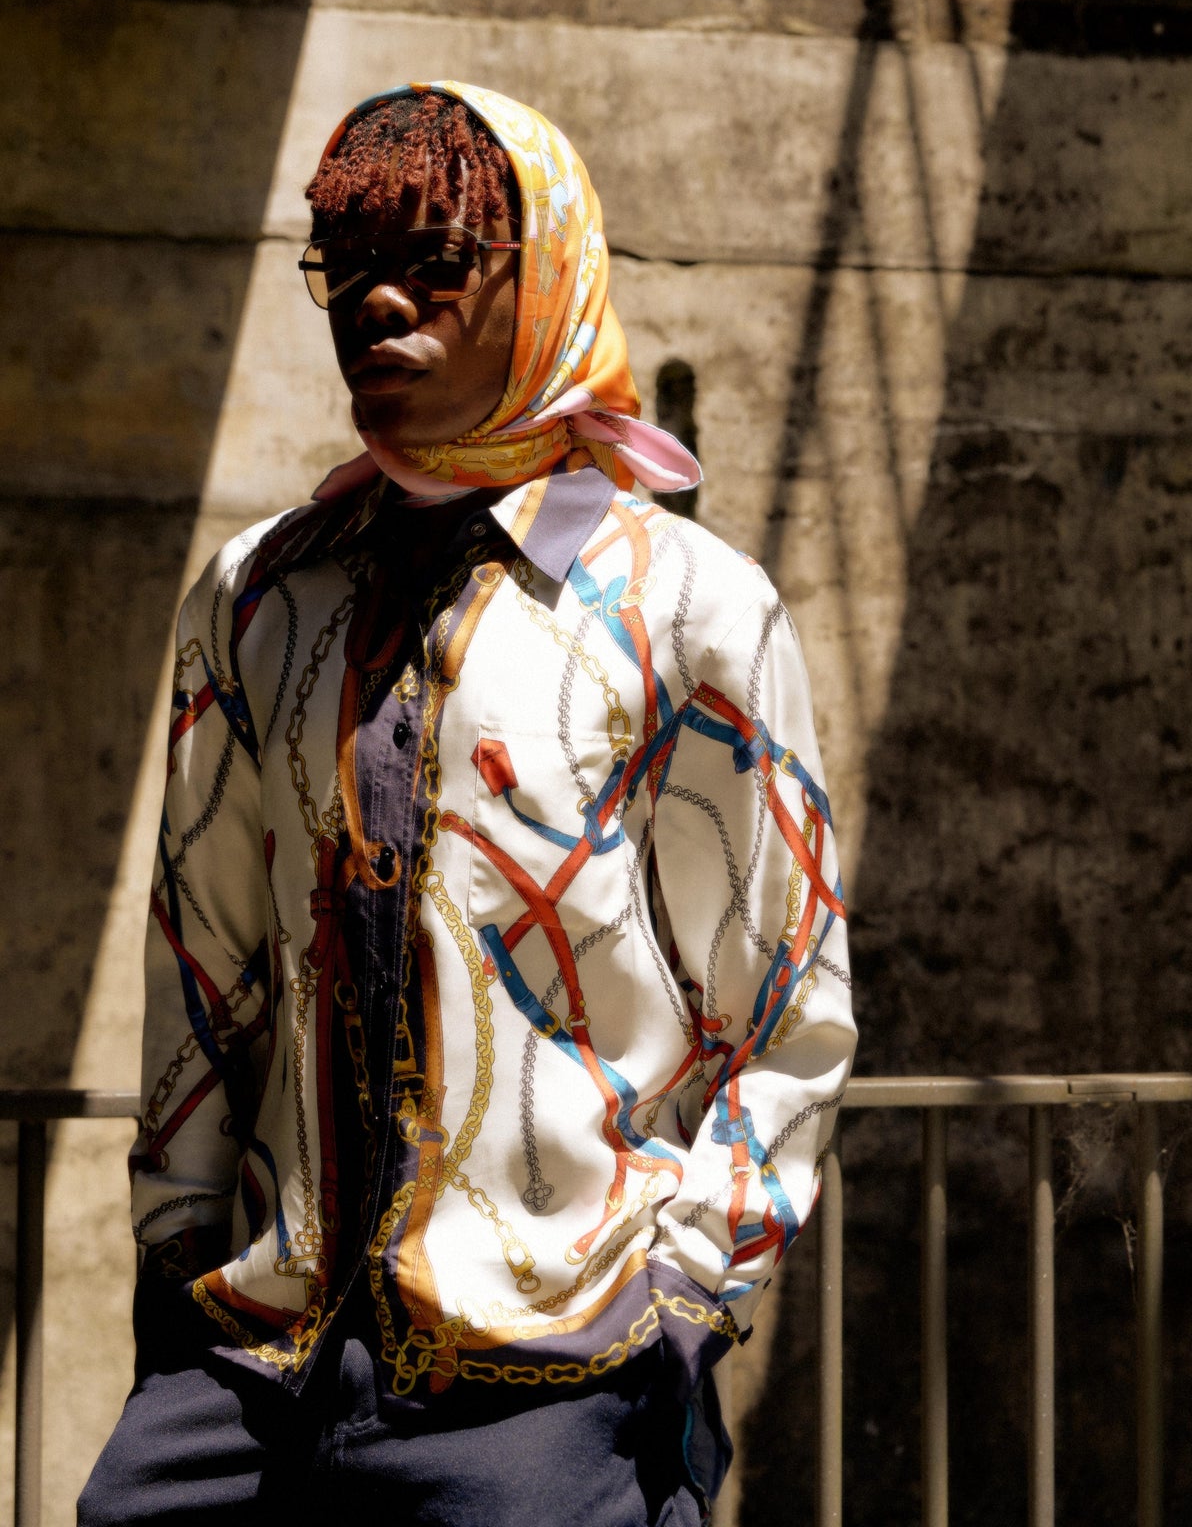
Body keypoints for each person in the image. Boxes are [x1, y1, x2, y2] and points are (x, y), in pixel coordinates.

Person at [79, 81, 857, 1527]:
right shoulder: (257, 595)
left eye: (432, 257)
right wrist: (177, 1265)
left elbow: (785, 1012)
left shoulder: (689, 612)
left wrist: (683, 1305)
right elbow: (206, 968)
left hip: (553, 1391)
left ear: (545, 268)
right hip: (252, 1372)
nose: (375, 299)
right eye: (342, 264)